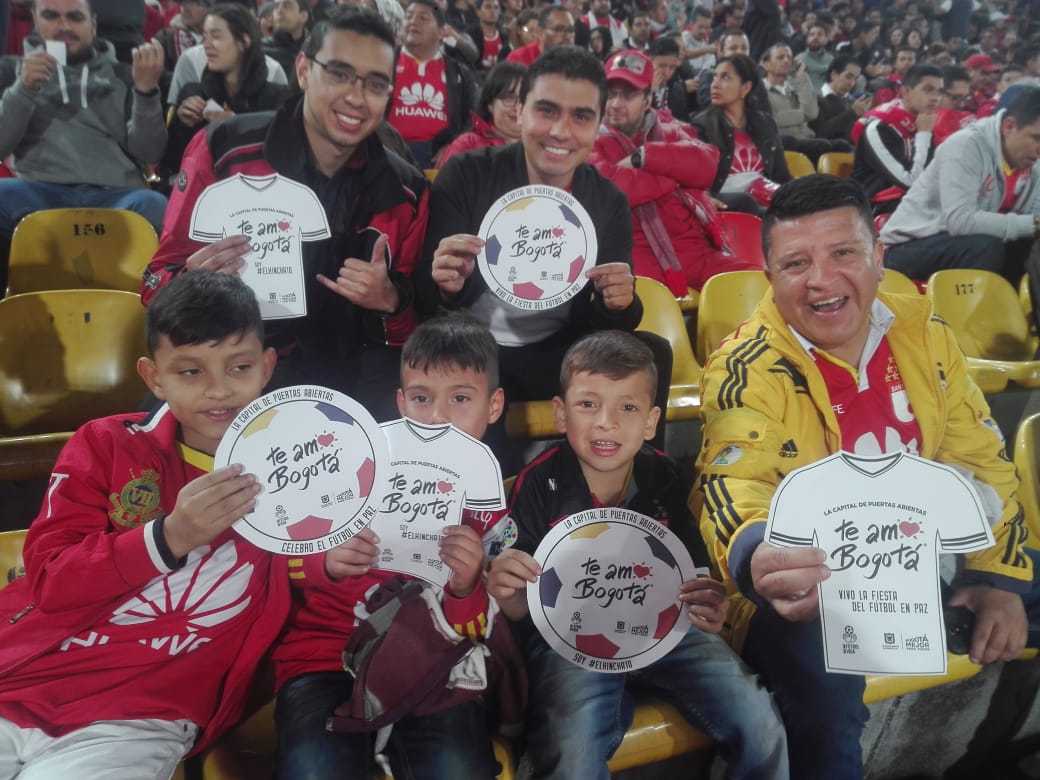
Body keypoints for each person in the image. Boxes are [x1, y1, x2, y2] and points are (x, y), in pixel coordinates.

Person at [693, 174, 1035, 780]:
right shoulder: (744, 365)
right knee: (821, 678)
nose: (821, 280)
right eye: (796, 263)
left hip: (931, 562)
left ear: (880, 256)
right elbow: (731, 480)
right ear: (770, 278)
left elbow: (981, 462)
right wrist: (758, 553)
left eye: (843, 253)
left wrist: (994, 577)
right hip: (814, 588)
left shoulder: (926, 334)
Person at [0, 271, 288, 777]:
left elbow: (324, 593)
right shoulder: (107, 444)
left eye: (237, 367)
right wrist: (167, 537)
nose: (218, 388)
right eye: (190, 372)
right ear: (154, 378)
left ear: (266, 367)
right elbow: (49, 578)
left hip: (141, 718)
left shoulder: (304, 472)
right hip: (22, 684)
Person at [488, 330, 789, 780]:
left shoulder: (666, 476)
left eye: (627, 408)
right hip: (570, 641)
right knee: (571, 746)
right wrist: (506, 589)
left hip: (670, 629)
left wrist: (711, 605)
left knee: (760, 720)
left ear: (650, 422)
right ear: (560, 413)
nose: (606, 422)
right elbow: (519, 608)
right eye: (588, 404)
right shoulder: (538, 483)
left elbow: (698, 574)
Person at [143, 9, 429, 422]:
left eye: (375, 83)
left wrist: (390, 302)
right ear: (302, 69)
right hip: (229, 366)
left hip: (349, 377)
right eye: (339, 74)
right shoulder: (224, 150)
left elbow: (408, 335)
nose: (355, 96)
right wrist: (192, 284)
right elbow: (154, 284)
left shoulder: (407, 192)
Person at [273, 314, 517, 779]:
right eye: (422, 398)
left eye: (461, 399)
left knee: (457, 769)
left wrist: (466, 590)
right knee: (311, 769)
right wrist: (324, 561)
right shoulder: (343, 473)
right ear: (401, 402)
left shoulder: (491, 516)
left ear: (494, 405)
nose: (438, 417)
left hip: (437, 661)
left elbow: (484, 629)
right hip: (326, 656)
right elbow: (278, 559)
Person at [416, 46, 646, 408]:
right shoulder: (466, 174)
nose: (560, 131)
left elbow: (609, 321)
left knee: (653, 355)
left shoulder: (608, 202)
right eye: (547, 110)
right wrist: (446, 288)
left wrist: (620, 304)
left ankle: (631, 464)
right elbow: (424, 298)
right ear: (520, 110)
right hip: (471, 349)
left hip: (561, 351)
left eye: (581, 117)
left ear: (599, 123)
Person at [0, 0, 168, 254]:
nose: (64, 26)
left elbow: (149, 153)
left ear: (94, 24)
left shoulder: (125, 75)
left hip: (115, 196)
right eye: (51, 16)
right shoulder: (11, 71)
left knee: (154, 205)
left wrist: (146, 93)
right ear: (35, 19)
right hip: (40, 193)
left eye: (76, 18)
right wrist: (23, 88)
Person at [589, 49, 759, 296]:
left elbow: (707, 163)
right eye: (611, 95)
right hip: (635, 259)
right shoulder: (589, 139)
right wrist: (676, 177)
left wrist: (643, 157)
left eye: (627, 96)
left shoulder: (669, 128)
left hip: (696, 253)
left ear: (647, 99)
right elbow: (613, 189)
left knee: (764, 286)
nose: (615, 104)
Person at [881, 86, 1040, 283]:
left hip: (958, 241)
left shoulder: (1030, 161)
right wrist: (1034, 224)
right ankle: (973, 313)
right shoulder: (965, 145)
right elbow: (960, 221)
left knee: (1030, 244)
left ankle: (1022, 311)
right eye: (1036, 138)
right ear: (1009, 127)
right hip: (905, 247)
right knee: (986, 247)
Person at [165, 4, 289, 176]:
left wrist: (236, 125)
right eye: (205, 36)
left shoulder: (275, 97)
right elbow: (173, 163)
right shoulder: (192, 92)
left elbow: (284, 159)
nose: (206, 45)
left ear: (244, 42)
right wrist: (182, 125)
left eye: (216, 36)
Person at [691, 53, 791, 214]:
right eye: (715, 77)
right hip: (727, 201)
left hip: (764, 193)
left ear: (745, 87)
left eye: (725, 78)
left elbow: (781, 174)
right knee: (746, 202)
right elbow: (693, 181)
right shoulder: (702, 126)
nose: (714, 85)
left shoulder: (764, 123)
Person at [388, 0, 478, 169]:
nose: (414, 21)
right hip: (389, 153)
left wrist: (455, 144)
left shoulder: (459, 73)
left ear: (441, 32)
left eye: (423, 18)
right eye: (409, 16)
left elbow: (474, 118)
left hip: (437, 159)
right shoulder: (384, 62)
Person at [851, 62, 941, 215]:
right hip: (875, 206)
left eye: (939, 91)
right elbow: (909, 181)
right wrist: (924, 135)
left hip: (910, 201)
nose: (935, 98)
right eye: (928, 90)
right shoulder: (880, 126)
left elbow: (930, 172)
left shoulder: (922, 121)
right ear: (906, 91)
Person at [762, 42, 852, 165]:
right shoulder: (760, 91)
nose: (786, 61)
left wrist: (801, 76)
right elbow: (773, 119)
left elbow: (812, 113)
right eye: (780, 57)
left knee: (843, 146)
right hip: (785, 143)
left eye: (789, 57)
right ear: (766, 65)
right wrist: (802, 115)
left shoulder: (796, 86)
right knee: (821, 146)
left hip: (808, 140)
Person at [437, 60, 524, 168]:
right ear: (490, 104)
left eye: (524, 99)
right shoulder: (467, 145)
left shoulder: (541, 147)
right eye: (509, 98)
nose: (517, 107)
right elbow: (444, 184)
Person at [811, 55, 872, 143]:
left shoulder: (851, 101)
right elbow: (821, 133)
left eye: (855, 79)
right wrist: (852, 113)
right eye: (848, 77)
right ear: (834, 75)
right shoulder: (816, 97)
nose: (852, 84)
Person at [263, 0, 310, 92]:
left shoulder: (314, 51)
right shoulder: (261, 50)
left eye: (287, 5)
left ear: (303, 16)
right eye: (276, 6)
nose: (279, 11)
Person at [506, 5, 575, 66]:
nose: (568, 36)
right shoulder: (518, 59)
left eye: (571, 30)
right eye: (559, 29)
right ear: (540, 33)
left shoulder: (578, 61)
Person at [465, 0, 511, 78]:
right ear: (478, 12)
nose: (493, 11)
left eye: (496, 8)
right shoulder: (469, 35)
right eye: (488, 7)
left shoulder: (504, 35)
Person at [794, 21, 833, 91]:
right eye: (812, 34)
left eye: (820, 34)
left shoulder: (831, 60)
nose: (815, 37)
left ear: (826, 39)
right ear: (807, 39)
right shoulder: (799, 59)